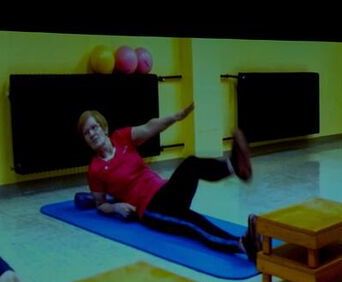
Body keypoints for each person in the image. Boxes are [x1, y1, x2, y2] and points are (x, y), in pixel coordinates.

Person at [79, 104, 261, 260]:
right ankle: (243, 244)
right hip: (151, 209)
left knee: (191, 164)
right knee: (193, 222)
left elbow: (150, 127)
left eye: (94, 127)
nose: (92, 134)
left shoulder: (121, 137)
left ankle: (233, 167)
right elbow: (100, 204)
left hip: (166, 190)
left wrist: (176, 117)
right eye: (87, 133)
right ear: (85, 140)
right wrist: (115, 207)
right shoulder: (95, 169)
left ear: (104, 128)